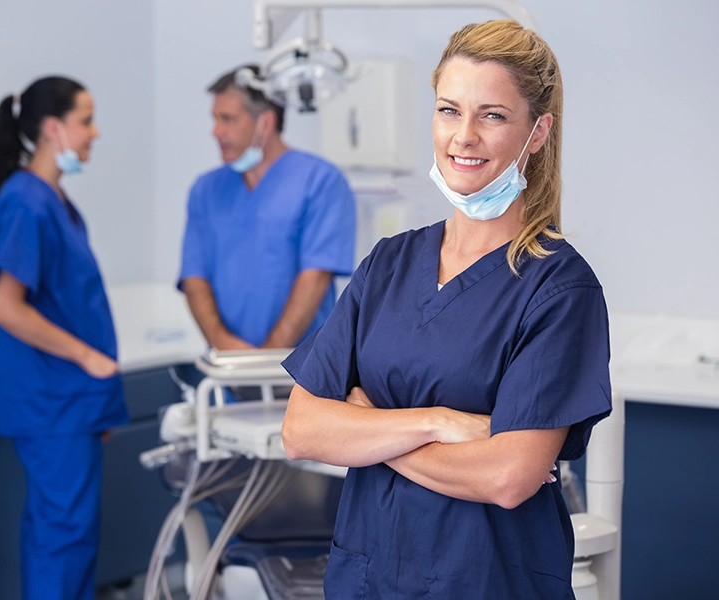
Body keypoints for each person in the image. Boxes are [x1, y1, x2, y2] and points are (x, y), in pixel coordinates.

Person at [281, 19, 612, 599]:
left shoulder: (559, 288)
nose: (463, 136)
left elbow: (508, 477)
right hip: (370, 576)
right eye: (448, 110)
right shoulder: (389, 263)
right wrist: (437, 423)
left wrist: (369, 427)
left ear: (537, 133)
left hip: (485, 580)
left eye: (492, 115)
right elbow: (303, 430)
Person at [0, 76, 128, 600]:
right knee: (61, 540)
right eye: (86, 121)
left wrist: (98, 398)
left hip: (71, 404)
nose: (95, 133)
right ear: (51, 128)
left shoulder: (52, 201)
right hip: (55, 402)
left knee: (68, 537)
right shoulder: (27, 202)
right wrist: (89, 360)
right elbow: (6, 306)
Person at [178, 65, 356, 352]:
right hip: (228, 367)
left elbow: (315, 277)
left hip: (299, 368)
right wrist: (223, 345)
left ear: (266, 123)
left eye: (228, 119)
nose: (216, 131)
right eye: (215, 119)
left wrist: (268, 359)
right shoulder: (206, 190)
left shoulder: (320, 182)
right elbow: (194, 277)